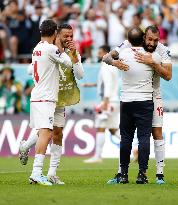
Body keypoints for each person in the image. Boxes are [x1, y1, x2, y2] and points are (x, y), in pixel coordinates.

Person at [105, 25, 172, 184]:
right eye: (149, 39)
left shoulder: (162, 50)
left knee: (156, 132)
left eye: (156, 40)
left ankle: (159, 174)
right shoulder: (128, 44)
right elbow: (107, 56)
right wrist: (116, 63)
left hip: (154, 96)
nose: (152, 43)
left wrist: (154, 64)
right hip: (140, 97)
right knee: (130, 137)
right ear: (143, 37)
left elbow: (168, 75)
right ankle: (122, 172)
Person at [24, 20, 79, 186]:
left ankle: (33, 164)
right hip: (46, 98)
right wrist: (69, 51)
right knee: (46, 134)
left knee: (44, 132)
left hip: (38, 96)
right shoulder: (51, 49)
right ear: (55, 32)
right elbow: (69, 63)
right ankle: (36, 173)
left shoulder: (37, 48)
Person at [82, 45, 120, 163]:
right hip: (114, 100)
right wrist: (93, 85)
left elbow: (108, 85)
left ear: (105, 53)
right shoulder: (113, 66)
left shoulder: (105, 67)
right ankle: (134, 148)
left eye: (99, 52)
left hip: (108, 101)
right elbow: (107, 83)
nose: (97, 55)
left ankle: (97, 156)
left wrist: (105, 102)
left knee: (100, 127)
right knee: (113, 129)